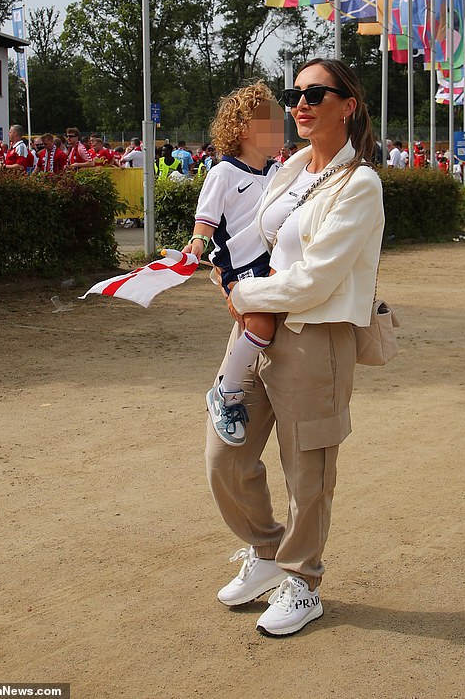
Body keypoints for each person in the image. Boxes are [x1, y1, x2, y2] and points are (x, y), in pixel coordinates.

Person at [206, 58, 384, 637]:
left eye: (316, 94)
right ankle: (264, 551)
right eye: (295, 93)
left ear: (348, 104)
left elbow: (316, 278)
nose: (300, 104)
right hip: (258, 324)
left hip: (314, 334)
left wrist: (244, 289)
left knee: (307, 470)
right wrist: (223, 266)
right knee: (224, 453)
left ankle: (303, 582)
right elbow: (259, 237)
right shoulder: (291, 169)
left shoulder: (360, 184)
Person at [183, 82, 283, 447]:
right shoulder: (222, 173)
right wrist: (196, 245)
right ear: (242, 129)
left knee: (270, 326)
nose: (279, 126)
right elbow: (205, 221)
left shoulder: (278, 172)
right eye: (268, 120)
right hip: (238, 265)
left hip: (272, 262)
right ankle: (226, 394)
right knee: (260, 325)